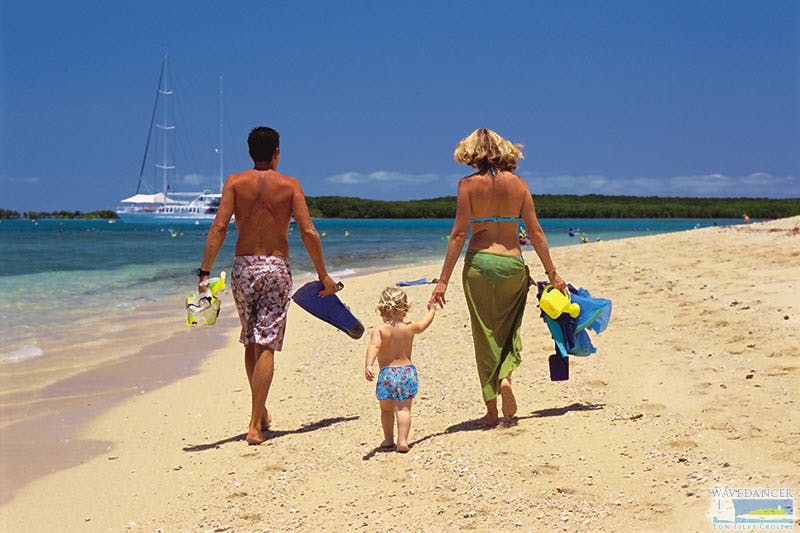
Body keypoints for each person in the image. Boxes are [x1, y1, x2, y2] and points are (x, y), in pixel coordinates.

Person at [198, 126, 338, 445]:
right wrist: (323, 275)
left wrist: (204, 273)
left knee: (251, 341)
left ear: (250, 152)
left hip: (244, 268)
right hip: (276, 268)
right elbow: (308, 232)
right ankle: (254, 424)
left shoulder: (234, 182)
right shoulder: (289, 185)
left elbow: (218, 228)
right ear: (277, 152)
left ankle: (259, 414)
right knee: (267, 343)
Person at [429, 128, 566, 426]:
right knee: (509, 330)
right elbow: (535, 232)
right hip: (511, 263)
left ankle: (491, 410)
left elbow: (457, 235)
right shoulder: (519, 185)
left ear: (472, 153)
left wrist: (442, 282)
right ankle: (506, 377)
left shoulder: (466, 185)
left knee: (484, 334)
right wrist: (552, 274)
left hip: (479, 263)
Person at [364, 287, 436, 453]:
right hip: (406, 373)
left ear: (381, 309)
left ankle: (388, 440)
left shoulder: (380, 330)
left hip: (387, 373)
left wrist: (369, 364)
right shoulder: (410, 327)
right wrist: (432, 310)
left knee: (386, 410)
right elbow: (425, 324)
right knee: (404, 409)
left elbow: (374, 346)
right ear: (405, 310)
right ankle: (402, 440)